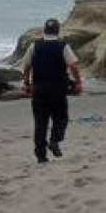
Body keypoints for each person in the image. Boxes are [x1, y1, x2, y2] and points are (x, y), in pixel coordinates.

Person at [22, 18, 83, 163]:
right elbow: (73, 65)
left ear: (44, 30)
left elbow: (26, 65)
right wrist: (78, 82)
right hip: (57, 88)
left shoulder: (35, 45)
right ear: (58, 30)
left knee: (40, 122)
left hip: (39, 88)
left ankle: (41, 155)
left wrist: (26, 83)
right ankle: (54, 140)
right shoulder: (63, 46)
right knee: (61, 117)